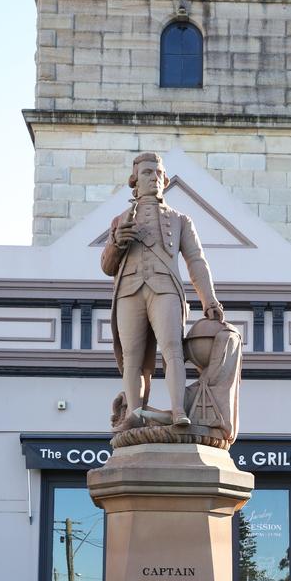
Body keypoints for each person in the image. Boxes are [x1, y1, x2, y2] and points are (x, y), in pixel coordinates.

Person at [101, 152, 224, 432]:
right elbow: (107, 266)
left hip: (165, 288)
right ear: (134, 181)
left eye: (158, 172)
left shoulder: (181, 220)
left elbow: (196, 260)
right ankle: (134, 412)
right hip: (129, 291)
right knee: (132, 357)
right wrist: (117, 243)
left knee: (172, 350)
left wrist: (209, 299)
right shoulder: (119, 220)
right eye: (146, 172)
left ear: (165, 180)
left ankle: (179, 409)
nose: (154, 177)